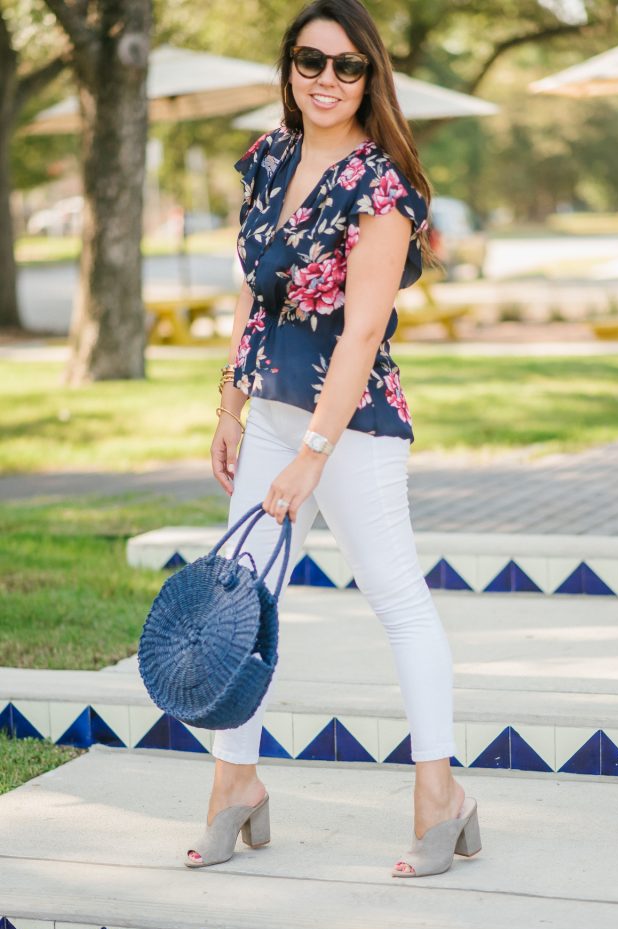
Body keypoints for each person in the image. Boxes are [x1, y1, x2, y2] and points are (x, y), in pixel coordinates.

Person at [185, 0, 482, 877]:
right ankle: (233, 788)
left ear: (369, 77)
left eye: (346, 66)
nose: (326, 80)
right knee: (241, 605)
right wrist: (230, 407)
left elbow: (360, 333)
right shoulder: (268, 159)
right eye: (310, 61)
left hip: (351, 425)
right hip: (270, 412)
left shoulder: (383, 185)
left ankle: (442, 797)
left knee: (396, 598)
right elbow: (252, 291)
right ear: (288, 68)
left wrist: (313, 455)